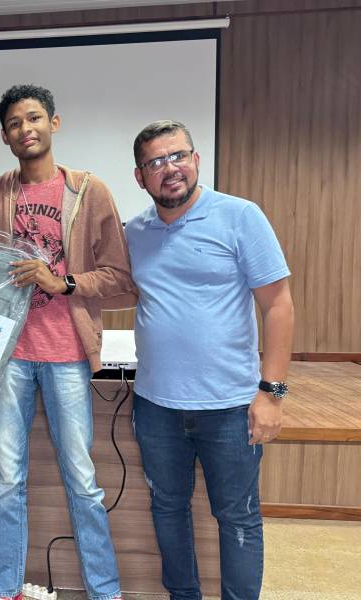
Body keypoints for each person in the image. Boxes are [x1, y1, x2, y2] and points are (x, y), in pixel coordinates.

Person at [0, 84, 135, 600]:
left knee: (83, 481)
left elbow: (119, 277)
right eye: (15, 123)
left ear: (54, 123)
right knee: (6, 482)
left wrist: (61, 282)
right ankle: (5, 589)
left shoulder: (89, 190)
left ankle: (104, 591)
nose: (26, 129)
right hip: (9, 357)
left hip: (67, 355)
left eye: (34, 118)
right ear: (4, 136)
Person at [126, 120, 295, 600]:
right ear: (140, 177)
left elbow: (278, 305)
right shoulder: (135, 231)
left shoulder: (240, 216)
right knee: (167, 509)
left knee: (238, 517)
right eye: (155, 162)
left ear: (196, 160)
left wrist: (271, 394)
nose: (170, 169)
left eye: (178, 155)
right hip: (156, 405)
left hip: (230, 406)